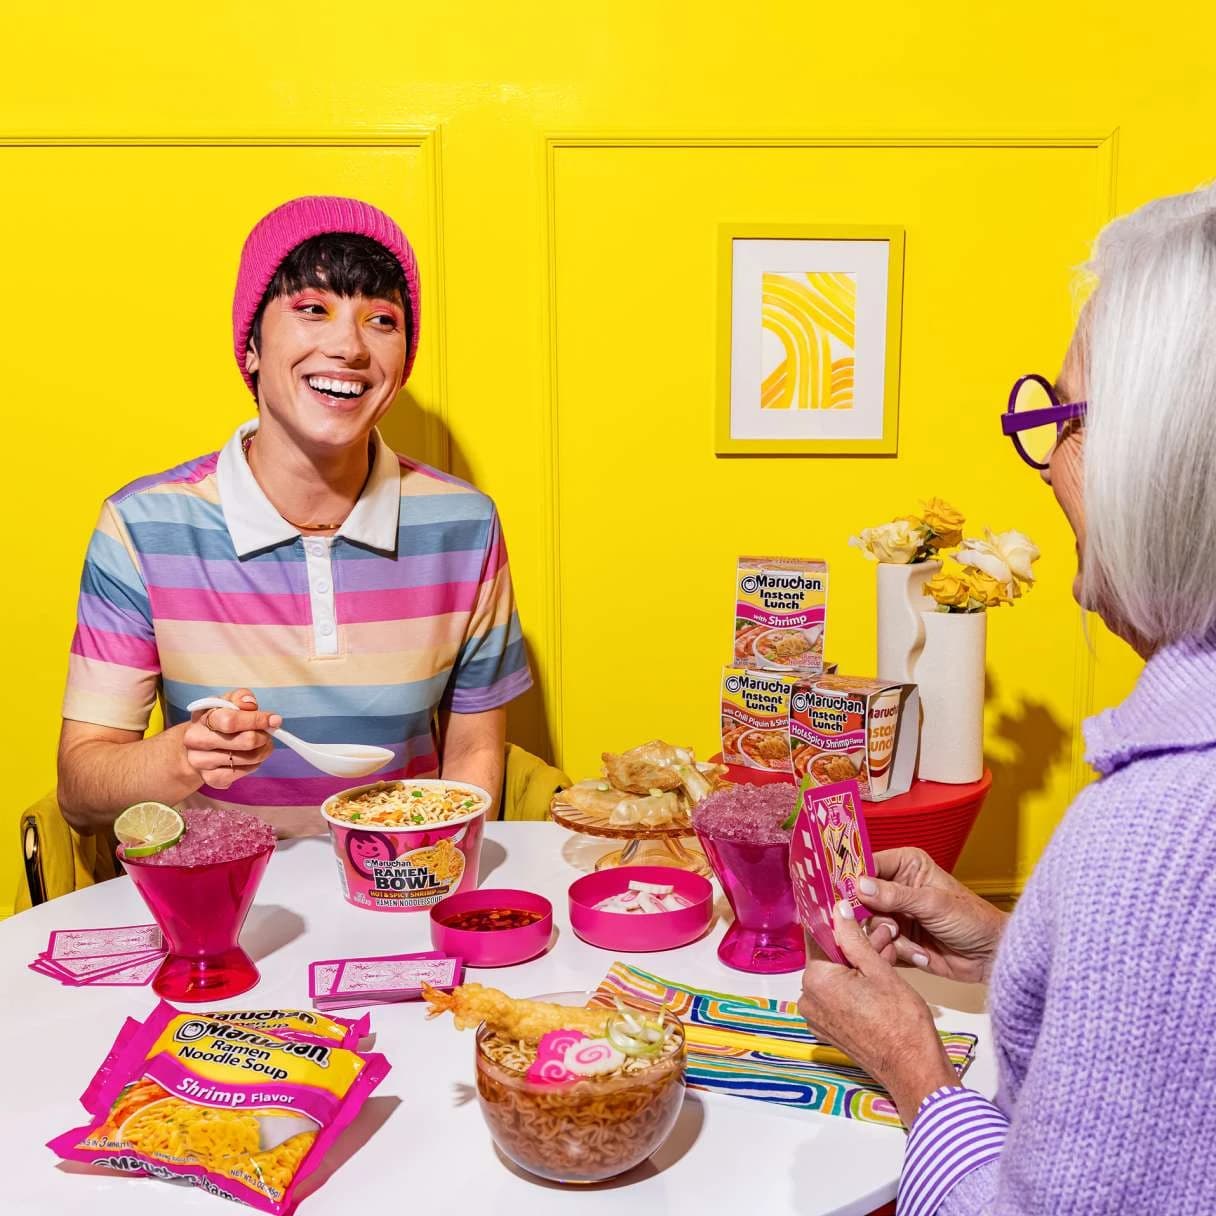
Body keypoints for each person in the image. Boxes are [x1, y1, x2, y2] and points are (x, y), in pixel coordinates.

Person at [798, 185, 1216, 1213]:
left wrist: (912, 1069)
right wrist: (1014, 943)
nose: (1042, 465)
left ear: (1167, 461)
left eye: (1065, 418)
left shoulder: (1162, 830)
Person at [58, 196, 531, 836]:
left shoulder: (463, 524)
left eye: (382, 321)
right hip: (219, 902)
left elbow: (473, 750)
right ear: (251, 346)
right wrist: (184, 756)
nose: (349, 346)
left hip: (406, 886)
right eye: (313, 309)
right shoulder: (143, 526)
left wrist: (438, 875)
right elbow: (81, 791)